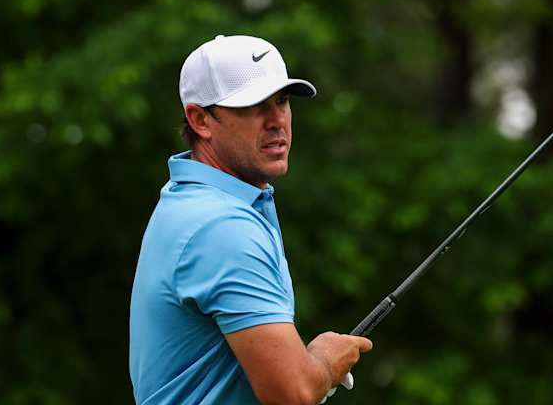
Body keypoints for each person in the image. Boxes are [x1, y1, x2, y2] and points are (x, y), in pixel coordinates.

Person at [129, 35, 372, 405]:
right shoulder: (220, 227)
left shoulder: (194, 202)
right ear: (200, 120)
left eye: (282, 101)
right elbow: (294, 391)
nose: (277, 121)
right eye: (254, 106)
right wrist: (324, 361)